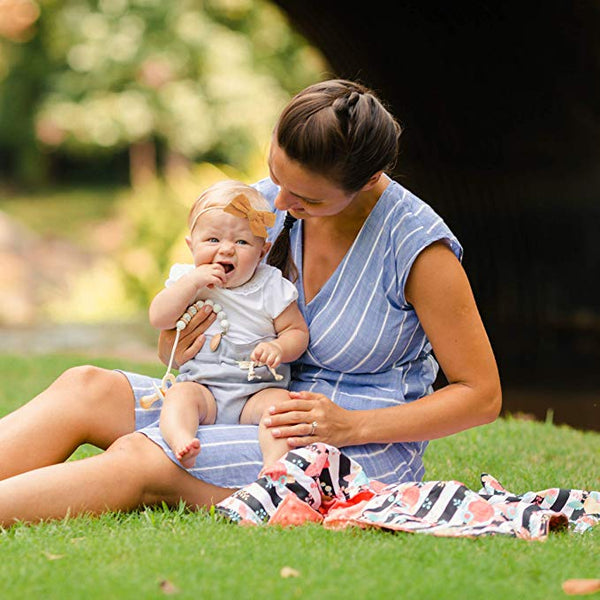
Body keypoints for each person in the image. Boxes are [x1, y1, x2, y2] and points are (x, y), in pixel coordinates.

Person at [0, 78, 501, 527]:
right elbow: (192, 321)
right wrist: (178, 342)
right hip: (233, 396)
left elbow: (481, 395)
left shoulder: (417, 248)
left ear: (367, 182)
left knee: (141, 457)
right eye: (275, 176)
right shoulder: (257, 211)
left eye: (306, 198)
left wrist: (353, 425)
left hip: (353, 444)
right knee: (84, 386)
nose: (280, 204)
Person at [145, 179, 309, 469]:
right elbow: (159, 317)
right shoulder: (187, 280)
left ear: (262, 251)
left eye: (242, 241)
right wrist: (192, 283)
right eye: (213, 240)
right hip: (203, 388)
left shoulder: (270, 285)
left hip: (255, 392)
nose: (226, 250)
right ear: (190, 245)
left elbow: (296, 331)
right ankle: (181, 439)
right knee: (179, 397)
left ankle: (275, 465)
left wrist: (279, 347)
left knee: (280, 407)